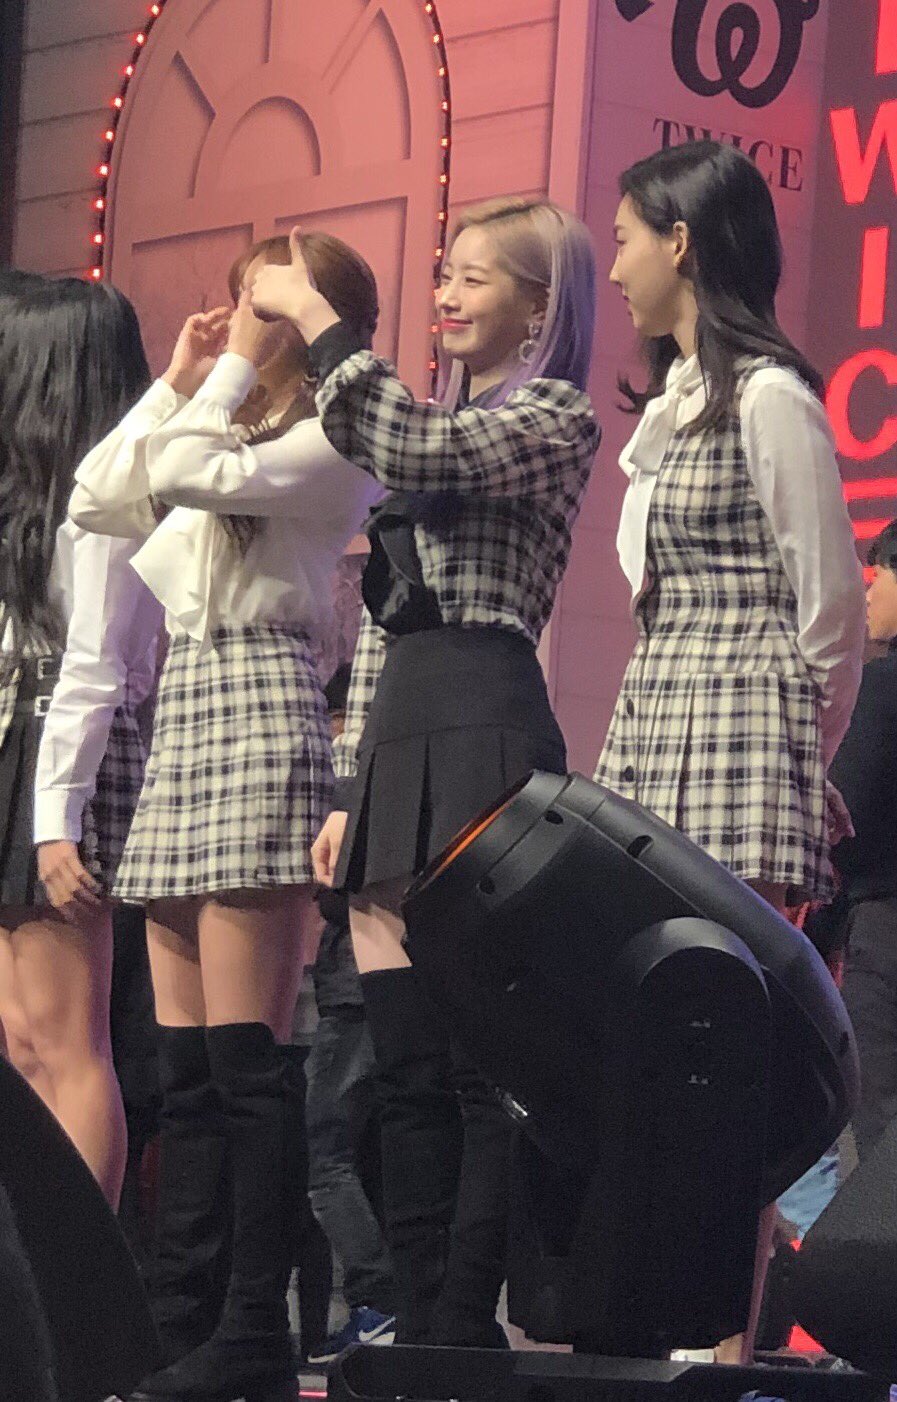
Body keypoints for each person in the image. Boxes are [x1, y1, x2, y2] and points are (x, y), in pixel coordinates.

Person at [250, 198, 600, 1348]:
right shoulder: (432, 414)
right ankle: (413, 1319)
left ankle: (462, 1326)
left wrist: (320, 322)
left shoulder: (555, 416)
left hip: (485, 719)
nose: (446, 294)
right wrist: (350, 787)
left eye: (474, 277)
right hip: (401, 728)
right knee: (399, 1065)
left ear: (539, 308)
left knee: (473, 1065)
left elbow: (415, 447)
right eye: (443, 273)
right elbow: (387, 623)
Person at [69, 232, 383, 1402]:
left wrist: (234, 369)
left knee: (250, 1061)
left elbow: (195, 477)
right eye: (242, 299)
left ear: (312, 319)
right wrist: (180, 377)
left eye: (267, 303)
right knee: (188, 1068)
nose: (242, 316)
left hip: (259, 700)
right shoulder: (221, 424)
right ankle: (180, 1322)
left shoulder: (332, 437)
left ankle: (256, 1327)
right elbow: (100, 494)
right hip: (189, 708)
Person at [592, 140, 866, 1361]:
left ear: (682, 240)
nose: (616, 268)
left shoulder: (769, 398)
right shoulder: (671, 407)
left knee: (731, 1043)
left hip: (745, 726)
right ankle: (668, 1325)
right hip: (660, 715)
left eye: (627, 240)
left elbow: (831, 610)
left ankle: (724, 1345)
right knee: (665, 1044)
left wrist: (802, 758)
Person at [0, 270, 160, 1208]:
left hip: (67, 752)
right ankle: (35, 1258)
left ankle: (80, 1268)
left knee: (67, 1041)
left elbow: (96, 667)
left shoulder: (108, 498)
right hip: (20, 740)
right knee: (21, 1039)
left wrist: (55, 820)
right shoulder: (30, 500)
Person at [304, 664, 395, 1364]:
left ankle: (377, 1296)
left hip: (348, 988)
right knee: (373, 1150)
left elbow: (336, 892)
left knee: (323, 1154)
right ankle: (379, 1301)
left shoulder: (347, 789)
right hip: (386, 988)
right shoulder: (400, 776)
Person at [831, 517, 897, 1162]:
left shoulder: (880, 689)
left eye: (883, 574)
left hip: (883, 929)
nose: (869, 591)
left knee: (874, 1137)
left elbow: (846, 821)